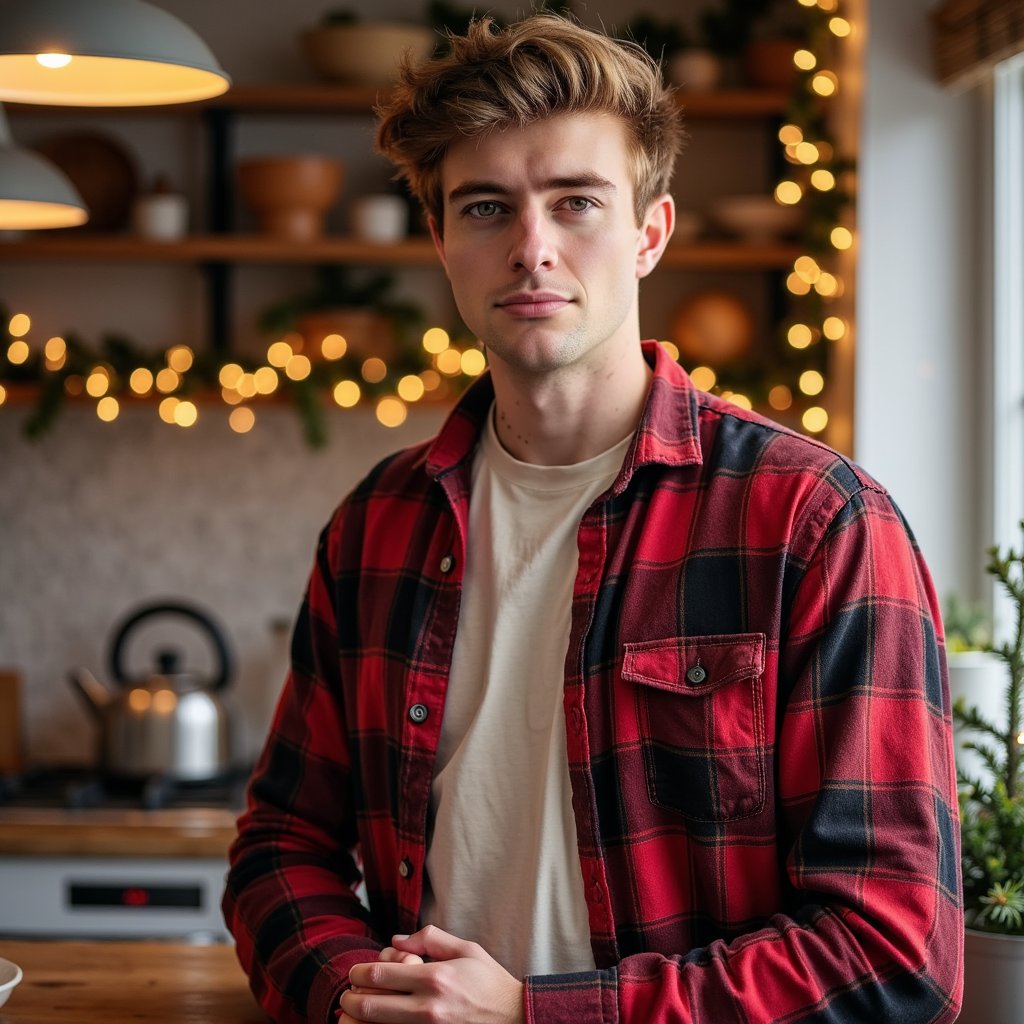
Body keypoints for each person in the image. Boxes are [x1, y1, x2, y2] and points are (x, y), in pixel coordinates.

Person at [223, 13, 963, 1024]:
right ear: (440, 240)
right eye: (485, 208)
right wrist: (358, 994)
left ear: (649, 232)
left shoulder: (814, 523)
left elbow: (890, 949)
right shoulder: (378, 525)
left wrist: (535, 1013)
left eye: (576, 203)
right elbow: (279, 844)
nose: (532, 249)